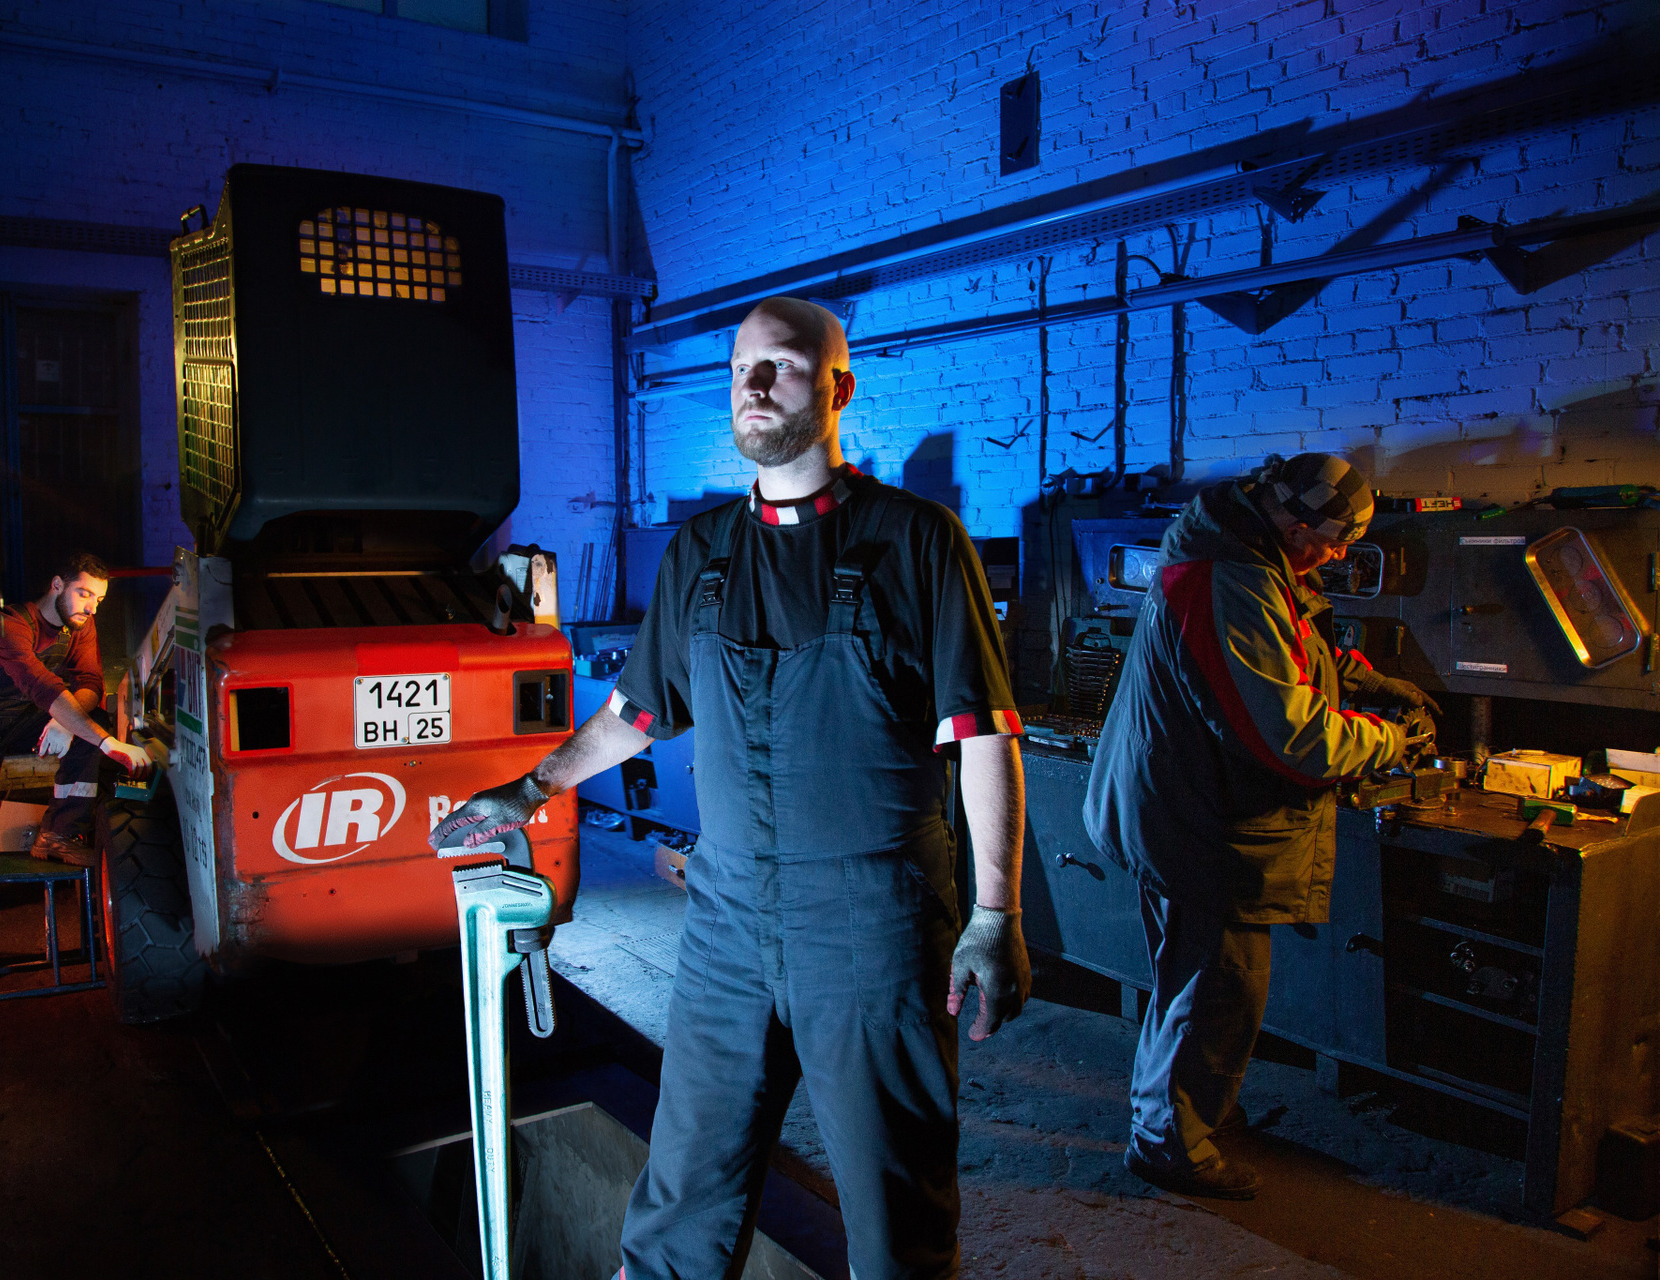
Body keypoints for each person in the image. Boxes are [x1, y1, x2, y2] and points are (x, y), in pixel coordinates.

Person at [433, 296, 1030, 1280]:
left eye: (781, 365)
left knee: (897, 1220)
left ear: (838, 388)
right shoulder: (701, 552)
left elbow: (983, 737)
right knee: (681, 1201)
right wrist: (529, 787)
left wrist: (996, 913)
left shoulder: (918, 542)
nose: (752, 385)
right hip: (728, 923)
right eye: (739, 367)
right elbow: (633, 716)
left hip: (873, 927)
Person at [1083, 453, 1436, 1199]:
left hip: (1186, 806)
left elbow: (1291, 644)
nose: (1334, 559)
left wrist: (1366, 679)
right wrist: (1389, 740)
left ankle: (1188, 1108)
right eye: (1332, 544)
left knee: (1197, 980)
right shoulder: (1227, 576)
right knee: (1215, 988)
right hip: (1197, 821)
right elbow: (1294, 739)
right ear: (1293, 521)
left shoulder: (1249, 554)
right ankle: (1168, 1141)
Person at [0, 550, 151, 988]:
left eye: (99, 599)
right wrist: (108, 744)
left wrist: (64, 724)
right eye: (84, 593)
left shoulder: (79, 628)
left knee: (88, 720)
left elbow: (90, 684)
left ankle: (59, 833)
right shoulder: (5, 625)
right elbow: (40, 684)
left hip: (15, 720)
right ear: (57, 586)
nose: (91, 607)